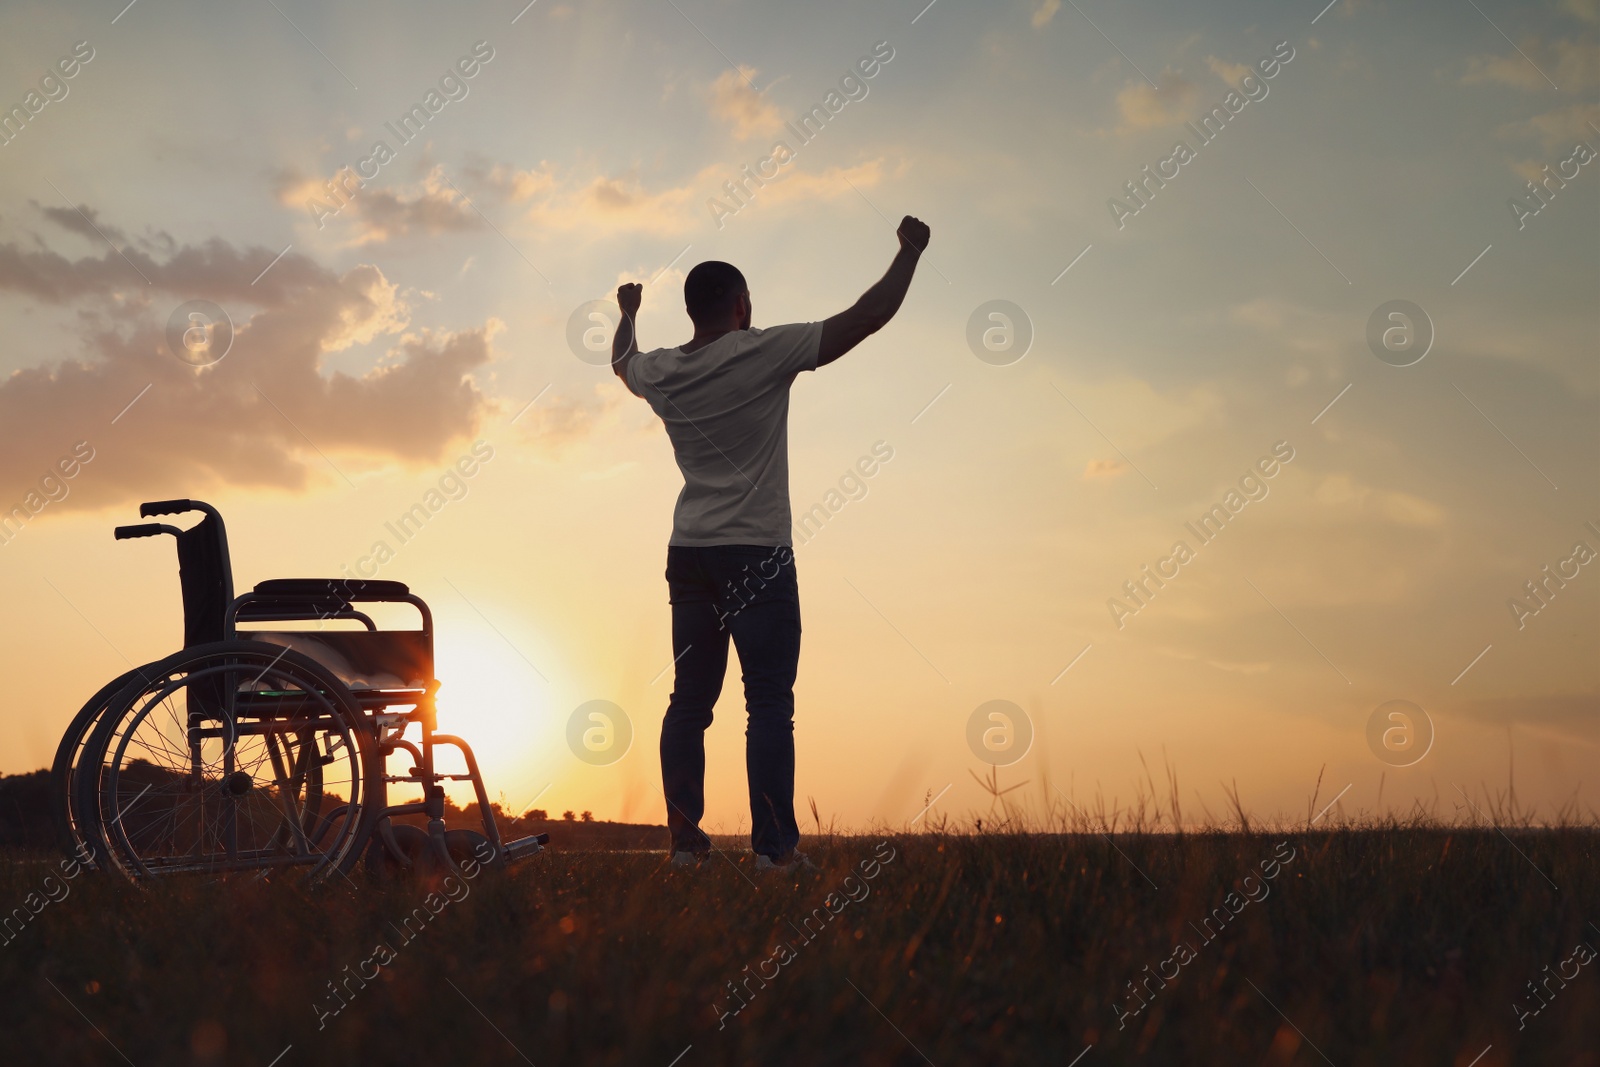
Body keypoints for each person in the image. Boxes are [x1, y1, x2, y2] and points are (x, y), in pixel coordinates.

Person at [611, 215, 930, 870]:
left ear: (692, 310)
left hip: (690, 552)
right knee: (769, 705)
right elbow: (867, 316)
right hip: (756, 552)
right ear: (741, 306)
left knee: (689, 703)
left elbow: (621, 362)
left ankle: (685, 847)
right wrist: (909, 253)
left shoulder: (664, 371)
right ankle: (775, 852)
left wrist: (629, 312)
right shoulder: (763, 350)